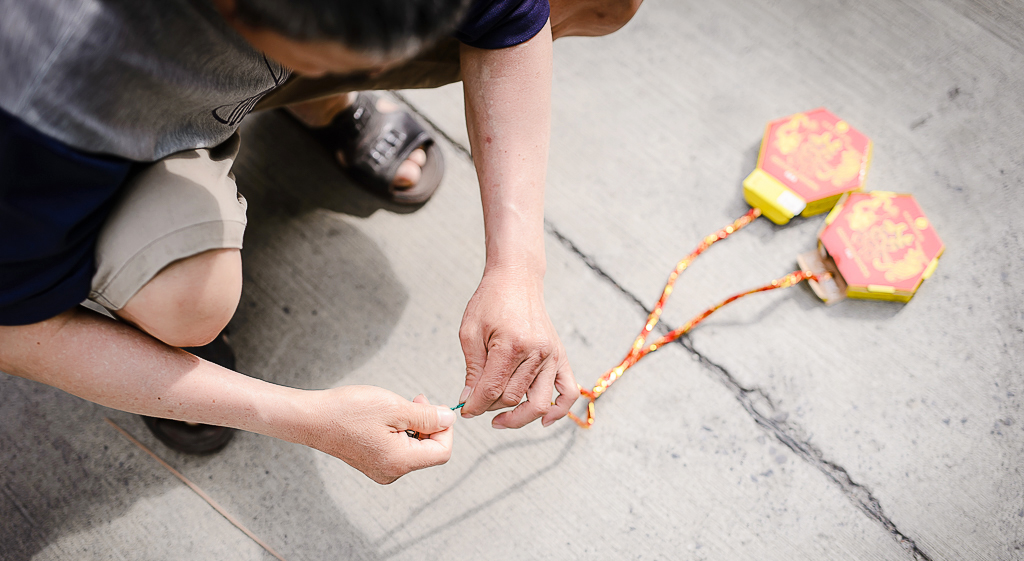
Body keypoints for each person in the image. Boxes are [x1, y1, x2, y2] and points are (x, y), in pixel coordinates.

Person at [0, 0, 642, 483]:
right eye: (351, 55)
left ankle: (319, 99)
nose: (389, 64)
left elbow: (509, 15)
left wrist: (517, 268)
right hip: (85, 126)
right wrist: (304, 419)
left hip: (201, 59)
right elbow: (16, 328)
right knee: (191, 302)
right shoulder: (41, 91)